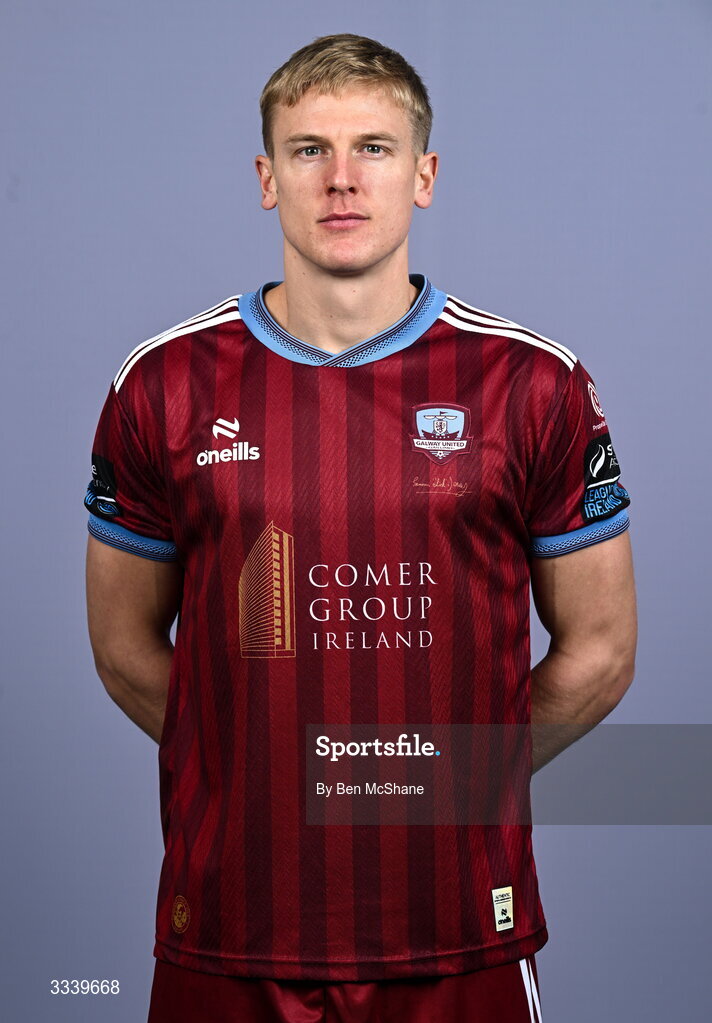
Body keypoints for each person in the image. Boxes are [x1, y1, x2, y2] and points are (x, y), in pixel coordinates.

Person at [84, 32, 637, 1023]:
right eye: (309, 151)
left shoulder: (533, 386)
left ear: (422, 176)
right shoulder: (163, 386)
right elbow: (124, 647)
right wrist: (256, 767)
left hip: (456, 925)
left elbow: (600, 650)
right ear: (267, 178)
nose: (341, 181)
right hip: (229, 925)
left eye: (373, 149)